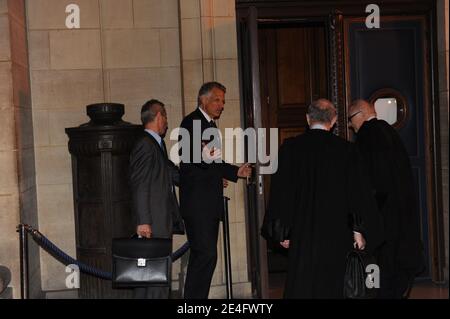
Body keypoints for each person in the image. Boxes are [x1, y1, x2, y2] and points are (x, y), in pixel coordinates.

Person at [262, 98, 384, 299]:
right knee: (334, 284)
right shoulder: (347, 150)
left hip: (303, 233)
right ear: (334, 120)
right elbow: (358, 194)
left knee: (304, 285)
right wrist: (358, 230)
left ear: (308, 118)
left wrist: (282, 230)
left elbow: (282, 192)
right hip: (337, 233)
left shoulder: (290, 149)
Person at [178, 82, 252, 299]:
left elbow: (210, 163)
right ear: (203, 100)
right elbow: (192, 160)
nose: (221, 105)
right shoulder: (192, 122)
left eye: (223, 101)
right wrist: (223, 172)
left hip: (207, 203)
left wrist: (233, 172)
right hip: (199, 205)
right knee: (205, 256)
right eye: (217, 100)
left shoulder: (208, 124)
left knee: (206, 257)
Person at [348, 99, 425, 299]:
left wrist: (361, 222)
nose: (350, 126)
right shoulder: (390, 132)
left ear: (360, 115)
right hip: (401, 208)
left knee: (379, 265)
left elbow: (366, 182)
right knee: (396, 262)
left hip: (381, 213)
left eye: (350, 120)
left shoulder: (366, 136)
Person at [129, 99, 184, 299]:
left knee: (152, 279)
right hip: (153, 224)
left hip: (159, 222)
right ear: (158, 115)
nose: (167, 122)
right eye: (166, 116)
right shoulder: (146, 144)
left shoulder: (155, 145)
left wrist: (209, 178)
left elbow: (174, 174)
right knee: (155, 279)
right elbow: (140, 184)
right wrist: (143, 221)